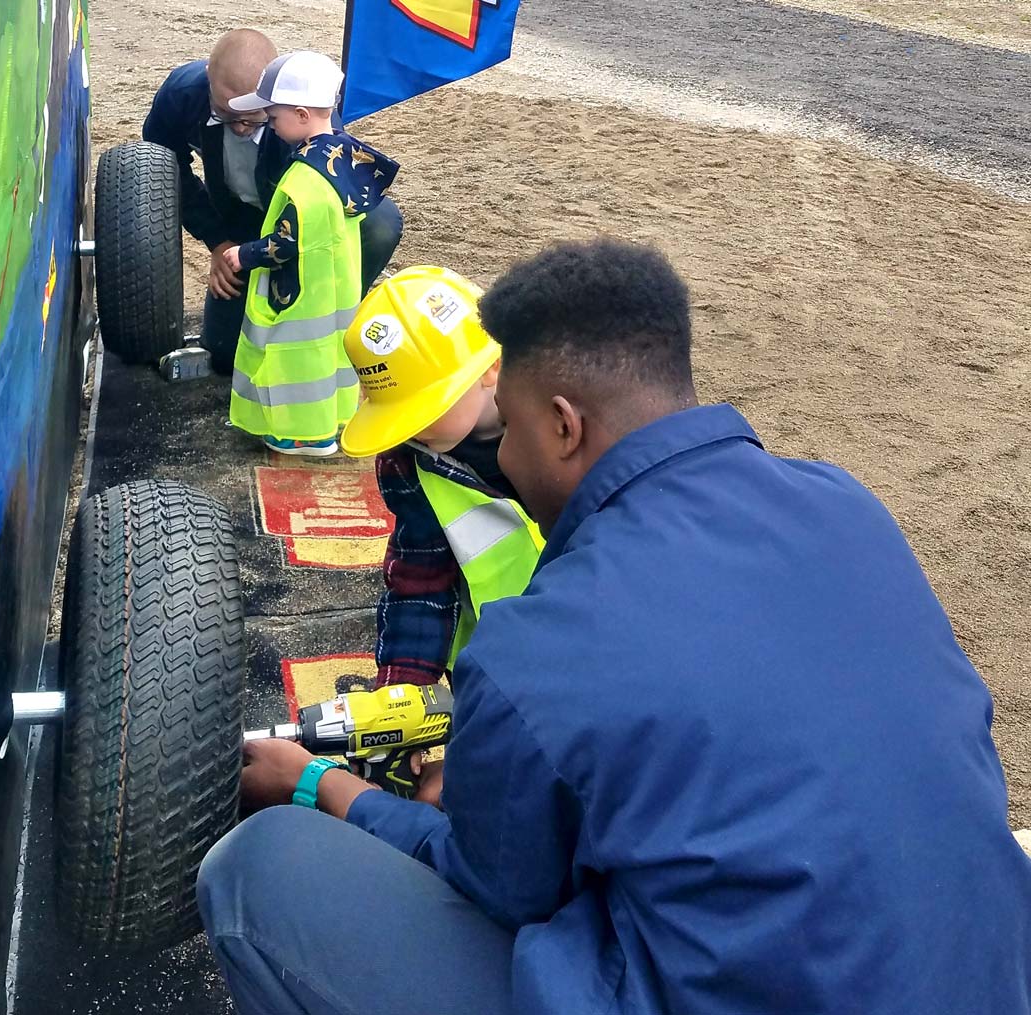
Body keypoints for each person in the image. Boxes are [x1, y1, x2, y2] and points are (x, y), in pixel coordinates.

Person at [197, 239, 1031, 1014]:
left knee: (258, 871)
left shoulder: (539, 650)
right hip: (983, 974)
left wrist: (319, 786)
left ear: (563, 425)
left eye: (515, 429)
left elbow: (489, 879)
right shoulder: (845, 504)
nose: (507, 463)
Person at [142, 30, 403, 374]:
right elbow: (166, 169)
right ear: (208, 77)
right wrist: (218, 241)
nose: (238, 128)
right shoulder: (181, 95)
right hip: (238, 222)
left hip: (298, 224)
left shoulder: (307, 121)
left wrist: (282, 271)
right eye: (225, 114)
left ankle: (336, 314)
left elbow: (317, 215)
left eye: (254, 118)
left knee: (381, 224)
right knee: (227, 356)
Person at [338, 266, 543, 687]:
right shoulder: (408, 462)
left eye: (423, 408)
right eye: (396, 412)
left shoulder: (560, 429)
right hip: (494, 660)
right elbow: (419, 582)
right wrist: (404, 688)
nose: (411, 429)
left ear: (490, 368)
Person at [222, 51, 398, 455]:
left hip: (302, 293)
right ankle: (333, 421)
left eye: (273, 118)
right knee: (330, 363)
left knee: (296, 363)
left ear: (301, 115)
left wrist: (244, 255)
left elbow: (287, 242)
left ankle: (302, 435)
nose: (269, 125)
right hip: (333, 286)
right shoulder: (343, 162)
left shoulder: (307, 179)